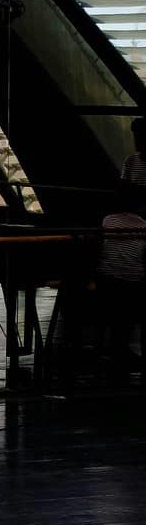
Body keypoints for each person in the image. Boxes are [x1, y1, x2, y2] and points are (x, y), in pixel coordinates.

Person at [95, 184, 146, 366]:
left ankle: (108, 349)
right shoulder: (143, 225)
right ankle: (121, 349)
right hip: (132, 280)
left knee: (112, 313)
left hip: (107, 277)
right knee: (127, 316)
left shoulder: (108, 220)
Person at [122, 116, 146, 190]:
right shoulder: (130, 161)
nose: (135, 140)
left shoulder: (131, 161)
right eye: (135, 136)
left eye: (140, 136)